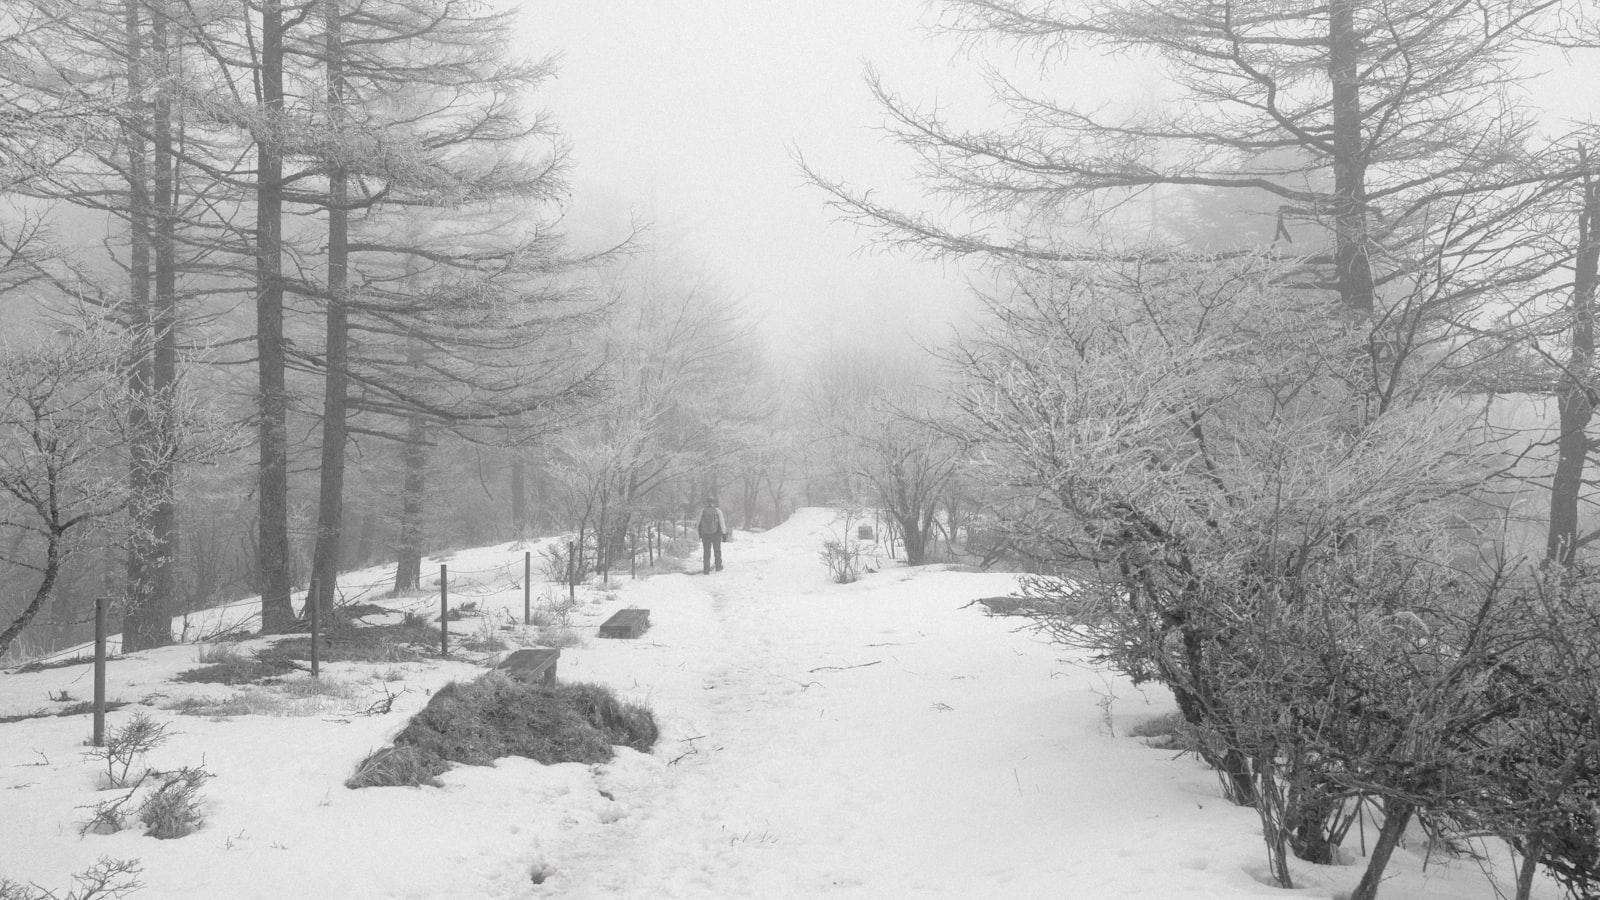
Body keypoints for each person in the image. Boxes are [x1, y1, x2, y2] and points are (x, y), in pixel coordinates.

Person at [697, 497, 727, 574]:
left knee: (706, 552)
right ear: (713, 503)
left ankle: (706, 569)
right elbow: (722, 523)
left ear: (706, 502)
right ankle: (718, 567)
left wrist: (699, 533)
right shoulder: (718, 511)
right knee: (717, 551)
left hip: (705, 534)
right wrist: (724, 533)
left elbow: (698, 523)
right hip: (716, 534)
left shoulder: (703, 511)